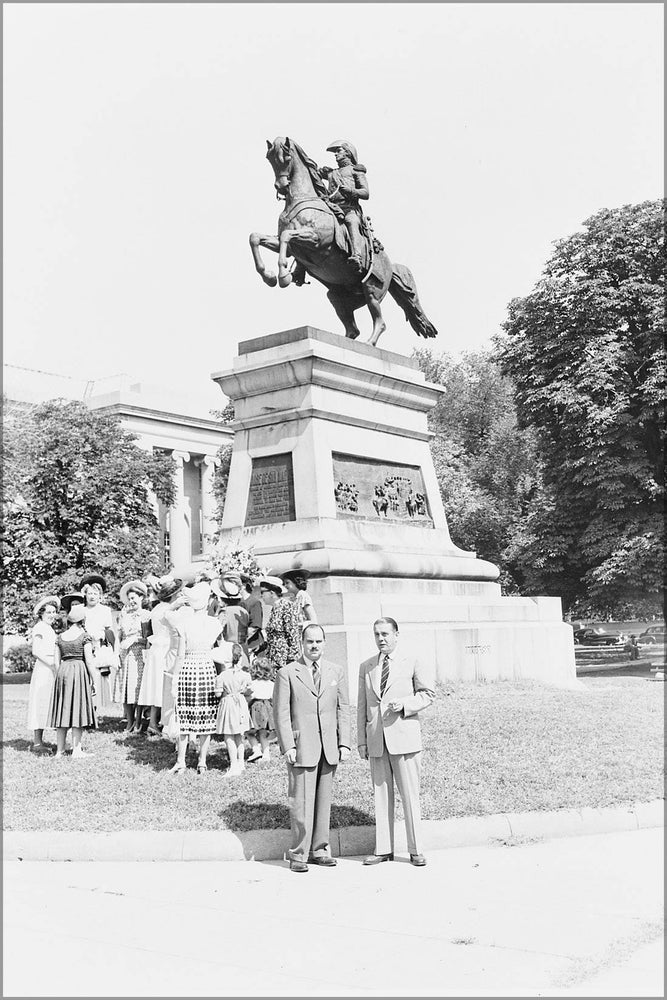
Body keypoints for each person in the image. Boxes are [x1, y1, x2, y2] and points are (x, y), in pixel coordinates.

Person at [357, 617, 435, 867]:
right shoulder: (367, 666)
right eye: (377, 634)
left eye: (385, 634)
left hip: (405, 738)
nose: (381, 639)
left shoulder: (412, 661)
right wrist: (362, 741)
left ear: (396, 635)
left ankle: (416, 849)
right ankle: (383, 849)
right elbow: (362, 706)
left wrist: (405, 705)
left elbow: (428, 695)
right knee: (381, 795)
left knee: (410, 795)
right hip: (377, 740)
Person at [274, 623, 351, 873]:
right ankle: (299, 853)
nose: (314, 646)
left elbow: (343, 709)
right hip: (301, 746)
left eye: (319, 641)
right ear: (302, 643)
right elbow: (281, 713)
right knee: (301, 802)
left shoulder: (335, 671)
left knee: (323, 801)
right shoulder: (287, 673)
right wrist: (288, 745)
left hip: (329, 747)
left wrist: (344, 743)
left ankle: (320, 849)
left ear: (325, 643)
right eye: (310, 641)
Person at [170, 582, 223, 774]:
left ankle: (181, 760)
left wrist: (175, 678)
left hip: (188, 669)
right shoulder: (215, 623)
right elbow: (220, 649)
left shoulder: (183, 624)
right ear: (207, 601)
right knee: (206, 716)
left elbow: (180, 654)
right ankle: (202, 761)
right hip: (207, 668)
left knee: (184, 716)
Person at [48, 604, 97, 758]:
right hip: (79, 671)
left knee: (63, 710)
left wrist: (60, 676)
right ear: (83, 620)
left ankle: (59, 751)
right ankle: (77, 750)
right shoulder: (84, 637)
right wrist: (93, 679)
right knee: (78, 709)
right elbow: (89, 661)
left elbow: (56, 662)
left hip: (63, 671)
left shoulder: (60, 637)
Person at [138, 575, 180, 737]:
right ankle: (159, 722)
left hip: (157, 647)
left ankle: (153, 722)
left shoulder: (157, 608)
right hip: (164, 647)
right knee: (162, 685)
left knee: (157, 685)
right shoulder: (166, 609)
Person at [320, 139, 369, 273]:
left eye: (338, 151)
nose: (335, 154)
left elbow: (366, 193)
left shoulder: (356, 171)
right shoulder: (332, 173)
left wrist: (351, 191)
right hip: (331, 208)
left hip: (349, 208)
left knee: (351, 221)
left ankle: (357, 256)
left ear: (348, 153)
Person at [115, 579, 150, 733]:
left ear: (141, 598)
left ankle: (138, 721)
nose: (131, 601)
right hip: (125, 654)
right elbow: (119, 635)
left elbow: (149, 638)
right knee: (125, 687)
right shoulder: (124, 615)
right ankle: (129, 722)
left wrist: (136, 639)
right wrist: (117, 653)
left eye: (134, 598)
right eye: (129, 599)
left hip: (139, 654)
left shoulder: (146, 615)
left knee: (137, 687)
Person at [79, 574, 116, 716]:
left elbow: (109, 632)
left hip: (99, 648)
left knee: (97, 680)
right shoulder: (82, 610)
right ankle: (85, 711)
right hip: (84, 647)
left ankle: (94, 712)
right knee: (86, 679)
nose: (92, 596)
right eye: (90, 593)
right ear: (85, 595)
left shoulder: (105, 610)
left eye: (95, 593)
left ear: (100, 595)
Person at [27, 596, 60, 753]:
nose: (52, 615)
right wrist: (52, 664)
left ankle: (44, 741)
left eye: (54, 612)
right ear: (41, 613)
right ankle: (37, 742)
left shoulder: (49, 628)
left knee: (48, 702)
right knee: (40, 701)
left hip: (51, 668)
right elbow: (36, 651)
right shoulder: (40, 627)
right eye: (49, 612)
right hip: (44, 669)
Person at [215, 643, 252, 775]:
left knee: (229, 735)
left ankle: (233, 764)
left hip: (228, 704)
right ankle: (241, 762)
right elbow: (250, 691)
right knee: (239, 735)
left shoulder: (222, 676)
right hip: (241, 704)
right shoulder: (245, 675)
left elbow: (218, 693)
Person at [260, 576, 301, 671]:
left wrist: (291, 661)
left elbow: (292, 634)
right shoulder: (275, 608)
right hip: (275, 660)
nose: (261, 596)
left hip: (284, 661)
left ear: (271, 593)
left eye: (262, 592)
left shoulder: (286, 606)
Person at [245, 655, 275, 763]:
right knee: (263, 734)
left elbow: (250, 697)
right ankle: (266, 755)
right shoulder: (272, 684)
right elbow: (273, 697)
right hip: (268, 709)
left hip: (256, 709)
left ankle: (256, 749)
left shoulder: (253, 684)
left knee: (249, 732)